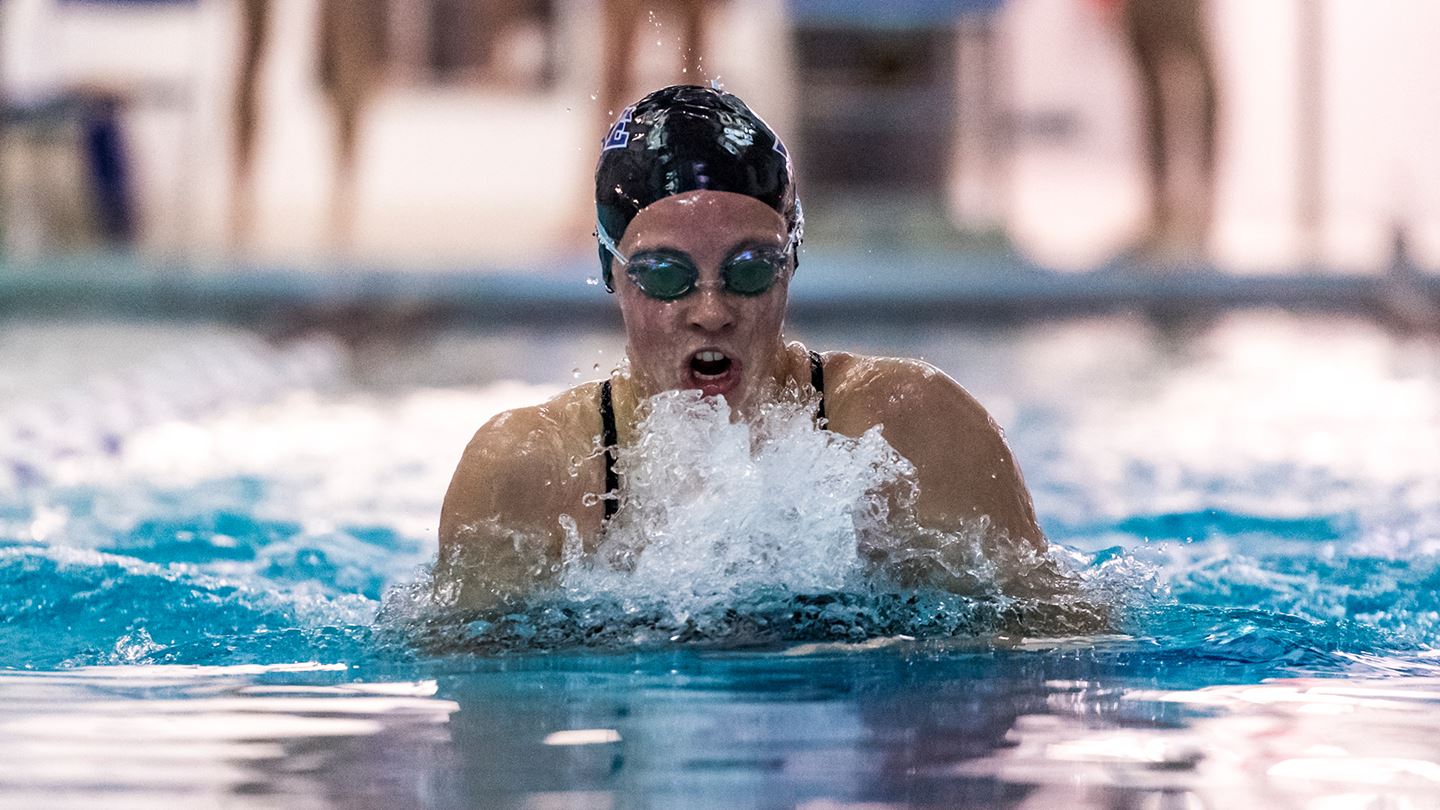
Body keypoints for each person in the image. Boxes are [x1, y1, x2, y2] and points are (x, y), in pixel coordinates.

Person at [438, 85, 1065, 612]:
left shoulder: (914, 427)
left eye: (749, 269)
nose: (711, 311)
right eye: (666, 275)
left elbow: (1049, 637)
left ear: (791, 263)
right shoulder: (527, 471)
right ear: (613, 275)